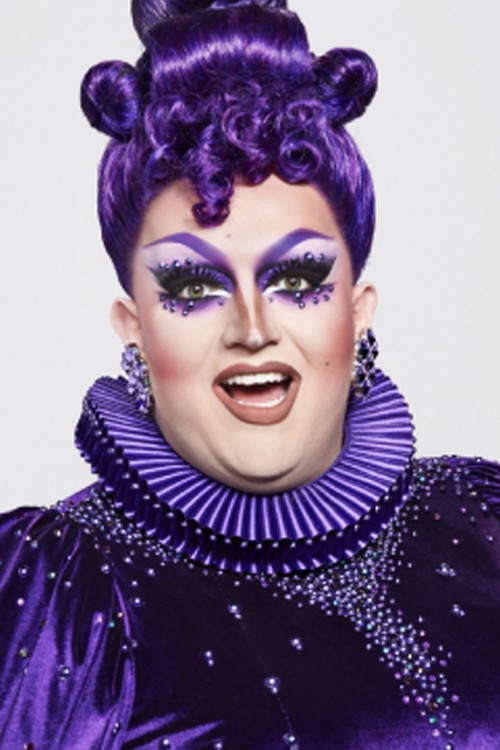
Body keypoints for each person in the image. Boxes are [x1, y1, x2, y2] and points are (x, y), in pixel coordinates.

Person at [0, 1, 499, 748]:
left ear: (357, 308)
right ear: (134, 325)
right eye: (192, 287)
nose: (253, 329)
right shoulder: (59, 596)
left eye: (297, 279)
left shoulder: (485, 515)